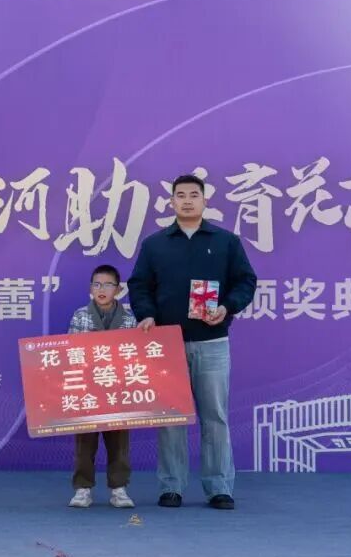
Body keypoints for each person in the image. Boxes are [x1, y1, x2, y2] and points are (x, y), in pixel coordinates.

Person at [127, 174, 257, 510]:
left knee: (215, 416)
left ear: (204, 200)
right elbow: (139, 285)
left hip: (212, 341)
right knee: (171, 418)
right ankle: (171, 486)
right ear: (171, 202)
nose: (187, 200)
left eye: (193, 195)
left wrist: (227, 307)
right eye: (180, 195)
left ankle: (219, 487)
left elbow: (246, 281)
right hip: (167, 344)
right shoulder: (155, 244)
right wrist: (146, 314)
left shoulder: (226, 242)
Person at [66, 264, 137, 509]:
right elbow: (72, 351)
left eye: (107, 284)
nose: (101, 289)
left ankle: (119, 489)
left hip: (118, 389)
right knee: (84, 443)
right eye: (96, 284)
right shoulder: (80, 316)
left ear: (118, 289)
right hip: (88, 389)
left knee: (119, 442)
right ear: (90, 288)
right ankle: (82, 489)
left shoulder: (129, 318)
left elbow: (133, 355)